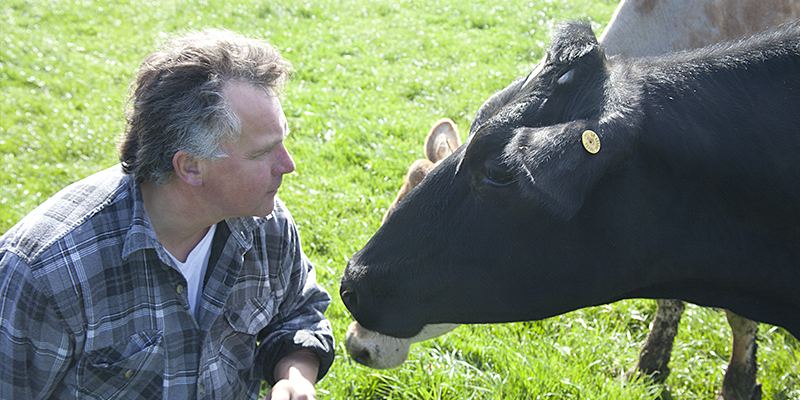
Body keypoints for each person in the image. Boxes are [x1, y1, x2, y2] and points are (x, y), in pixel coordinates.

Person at [0, 29, 334, 399]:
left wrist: (295, 377)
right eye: (262, 152)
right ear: (191, 166)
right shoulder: (46, 273)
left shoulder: (264, 224)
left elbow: (298, 313)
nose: (288, 164)